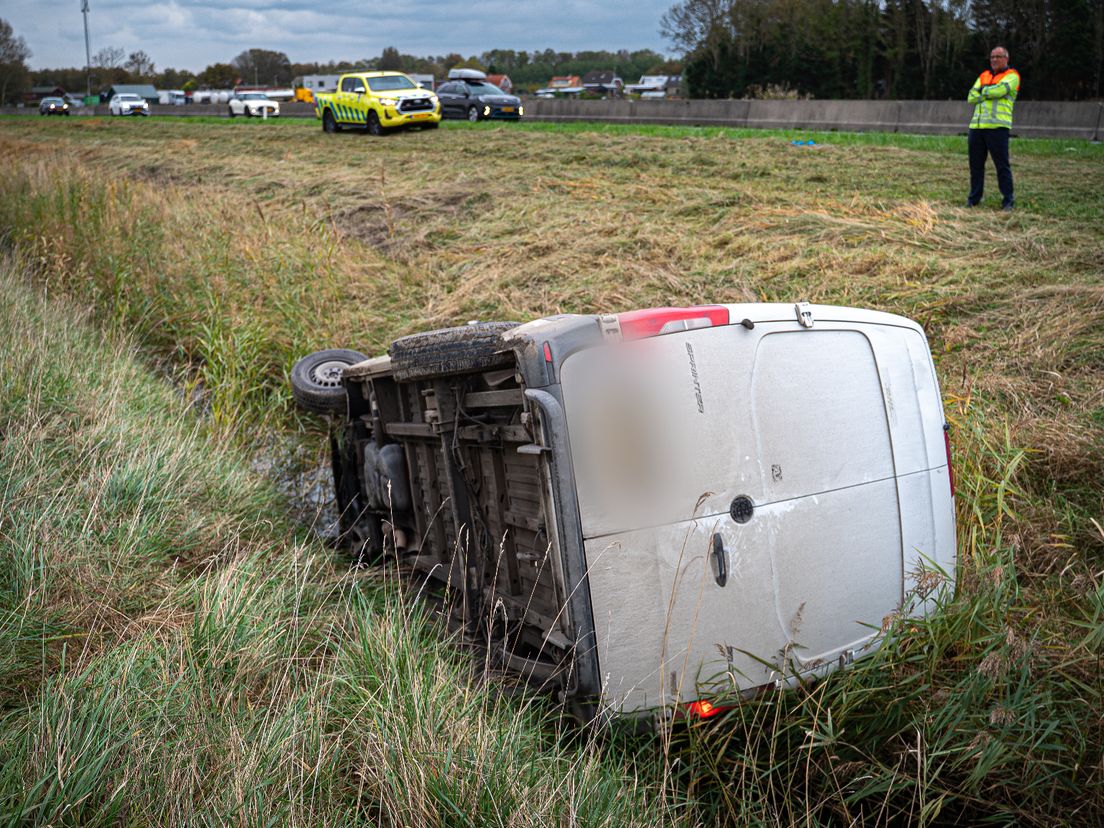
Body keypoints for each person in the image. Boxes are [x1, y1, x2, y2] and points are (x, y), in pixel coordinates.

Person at [966, 47, 1020, 211]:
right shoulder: (984, 75)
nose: (994, 60)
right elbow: (970, 97)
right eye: (992, 57)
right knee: (975, 166)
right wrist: (988, 92)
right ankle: (974, 199)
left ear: (1006, 58)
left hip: (997, 127)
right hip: (977, 127)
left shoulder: (1012, 76)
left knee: (1002, 166)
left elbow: (1002, 90)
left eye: (998, 56)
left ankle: (1008, 200)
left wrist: (983, 91)